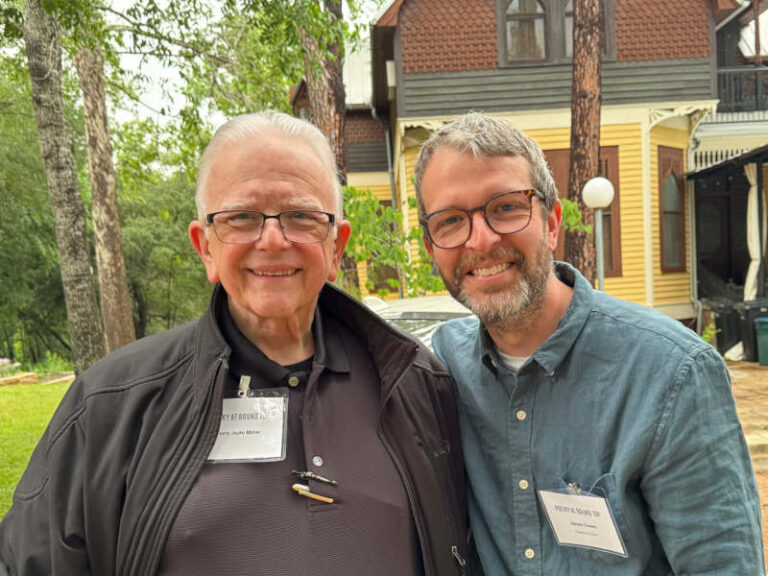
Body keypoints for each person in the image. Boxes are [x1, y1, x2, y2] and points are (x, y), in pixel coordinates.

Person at [0, 110, 468, 576]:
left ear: (336, 246)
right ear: (205, 245)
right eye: (242, 218)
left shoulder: (415, 387)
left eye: (301, 217)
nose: (272, 240)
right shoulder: (113, 404)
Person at [413, 112, 765, 575]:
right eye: (451, 220)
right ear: (431, 246)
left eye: (505, 208)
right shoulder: (437, 371)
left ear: (552, 223)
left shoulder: (671, 374)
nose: (480, 240)